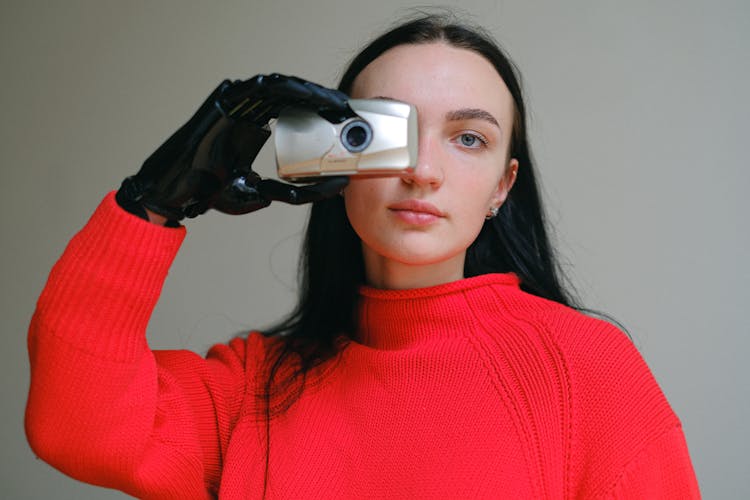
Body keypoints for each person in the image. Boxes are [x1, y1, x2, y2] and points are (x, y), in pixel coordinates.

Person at [25, 13, 700, 499]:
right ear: (329, 157)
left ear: (503, 186)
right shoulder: (251, 391)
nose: (423, 171)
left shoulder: (588, 375)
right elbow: (73, 428)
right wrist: (153, 203)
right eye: (380, 130)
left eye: (468, 139)